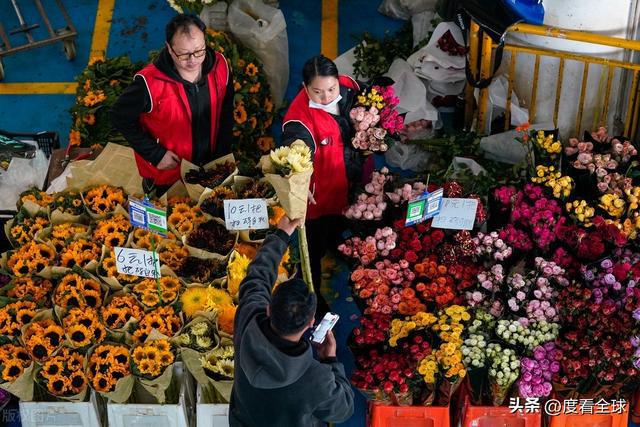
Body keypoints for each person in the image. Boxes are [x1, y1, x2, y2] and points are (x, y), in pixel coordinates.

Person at [230, 215, 354, 427]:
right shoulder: (316, 378)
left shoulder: (248, 320)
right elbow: (344, 409)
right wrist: (330, 360)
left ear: (268, 309)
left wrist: (281, 235)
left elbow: (257, 277)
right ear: (310, 324)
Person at [111, 14, 234, 195]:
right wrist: (155, 154)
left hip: (210, 168)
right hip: (168, 176)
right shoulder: (149, 83)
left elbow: (226, 110)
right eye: (183, 54)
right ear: (169, 48)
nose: (193, 60)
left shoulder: (220, 66)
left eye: (199, 51)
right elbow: (119, 117)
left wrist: (221, 157)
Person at [280, 55, 363, 315]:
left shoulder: (350, 89)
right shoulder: (298, 120)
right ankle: (313, 304)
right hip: (318, 198)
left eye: (331, 89)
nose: (327, 97)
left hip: (348, 188)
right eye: (317, 91)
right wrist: (297, 177)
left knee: (346, 229)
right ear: (305, 88)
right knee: (311, 252)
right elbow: (296, 151)